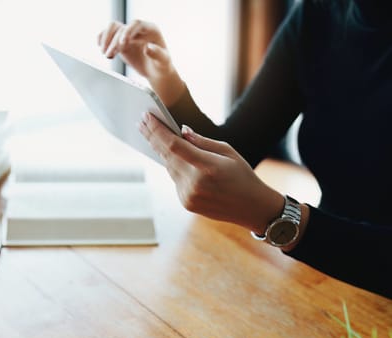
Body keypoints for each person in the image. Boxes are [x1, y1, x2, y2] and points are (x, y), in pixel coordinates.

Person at [97, 0, 391, 299]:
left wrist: (277, 216)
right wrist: (163, 77)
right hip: (326, 275)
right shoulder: (318, 15)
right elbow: (239, 148)